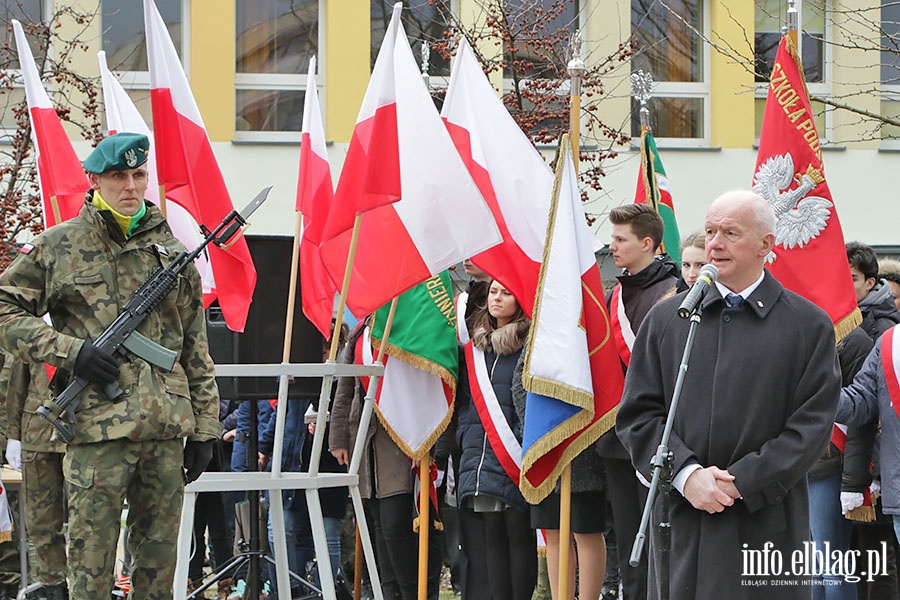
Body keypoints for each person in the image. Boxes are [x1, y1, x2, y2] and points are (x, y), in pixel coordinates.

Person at [0, 132, 220, 600]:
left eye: (139, 175)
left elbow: (195, 350)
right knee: (91, 567)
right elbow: (5, 308)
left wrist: (205, 427)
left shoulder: (174, 254)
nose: (131, 186)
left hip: (164, 432)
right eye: (118, 176)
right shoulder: (60, 246)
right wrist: (70, 350)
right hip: (97, 431)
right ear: (95, 180)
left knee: (159, 569)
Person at [616, 190, 841, 599]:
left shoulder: (807, 326)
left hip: (765, 528)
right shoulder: (669, 319)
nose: (715, 244)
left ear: (765, 245)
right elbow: (638, 417)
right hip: (681, 524)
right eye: (710, 231)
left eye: (730, 233)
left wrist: (735, 484)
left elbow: (810, 430)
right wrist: (687, 477)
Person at [329, 318, 443, 600]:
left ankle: (410, 592)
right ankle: (387, 591)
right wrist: (338, 438)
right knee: (376, 523)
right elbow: (345, 388)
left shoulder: (406, 322)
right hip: (363, 439)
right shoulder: (360, 332)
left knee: (395, 524)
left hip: (399, 438)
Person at [600, 203, 679, 600]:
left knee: (658, 542)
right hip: (617, 438)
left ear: (647, 243)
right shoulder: (616, 294)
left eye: (620, 239)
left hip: (658, 436)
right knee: (629, 538)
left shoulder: (672, 294)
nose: (612, 246)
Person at [456, 280, 536, 600]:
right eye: (493, 292)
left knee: (518, 533)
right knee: (491, 534)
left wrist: (520, 444)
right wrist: (466, 436)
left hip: (515, 454)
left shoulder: (529, 342)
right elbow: (465, 402)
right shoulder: (476, 348)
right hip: (479, 455)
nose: (497, 299)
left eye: (506, 292)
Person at [3, 358, 68, 600]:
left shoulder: (89, 320)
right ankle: (53, 588)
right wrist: (14, 434)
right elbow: (17, 381)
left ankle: (91, 587)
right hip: (36, 431)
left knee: (90, 525)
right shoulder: (33, 324)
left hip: (87, 431)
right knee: (41, 522)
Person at [847, 241, 900, 341]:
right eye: (841, 278)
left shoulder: (884, 328)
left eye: (852, 279)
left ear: (869, 283)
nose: (844, 284)